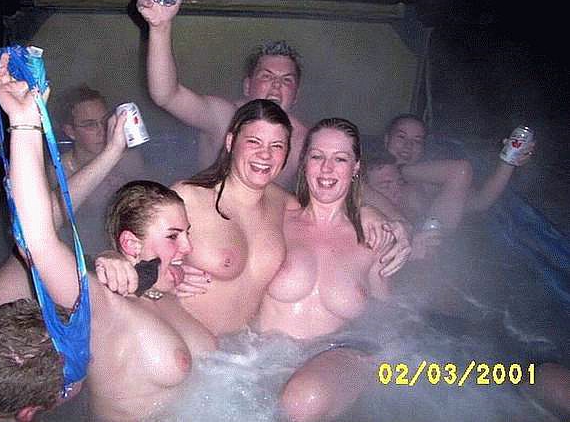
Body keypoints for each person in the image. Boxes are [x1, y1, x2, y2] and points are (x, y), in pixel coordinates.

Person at [0, 53, 216, 422]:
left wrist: (120, 263)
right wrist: (25, 124)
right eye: (174, 236)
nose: (187, 247)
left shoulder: (27, 302)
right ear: (31, 411)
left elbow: (46, 233)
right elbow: (38, 239)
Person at [96, 100, 410, 337]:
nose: (265, 155)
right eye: (254, 142)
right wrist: (116, 259)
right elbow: (129, 243)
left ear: (288, 154)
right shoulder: (188, 197)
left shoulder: (282, 204)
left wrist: (375, 215)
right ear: (230, 142)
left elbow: (331, 203)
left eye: (277, 146)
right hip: (187, 345)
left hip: (244, 357)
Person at [254, 118, 390, 421]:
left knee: (303, 401)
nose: (327, 169)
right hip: (259, 357)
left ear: (356, 167)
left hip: (336, 360)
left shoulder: (373, 240)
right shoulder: (275, 221)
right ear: (304, 163)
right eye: (317, 156)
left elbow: (387, 315)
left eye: (340, 159)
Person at [136, 0, 308, 189]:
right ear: (247, 86)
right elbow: (166, 95)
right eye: (267, 76)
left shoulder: (304, 141)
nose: (276, 85)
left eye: (286, 80)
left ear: (296, 95)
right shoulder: (223, 118)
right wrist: (159, 27)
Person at [383, 113, 535, 228]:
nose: (408, 146)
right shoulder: (369, 173)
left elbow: (481, 201)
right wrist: (400, 170)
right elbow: (459, 170)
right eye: (401, 137)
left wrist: (508, 162)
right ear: (386, 139)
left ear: (423, 148)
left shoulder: (425, 185)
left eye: (417, 141)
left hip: (427, 253)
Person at [50, 84, 149, 257]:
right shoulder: (58, 172)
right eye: (90, 125)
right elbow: (49, 227)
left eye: (104, 121)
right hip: (82, 250)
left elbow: (151, 204)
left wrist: (124, 193)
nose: (102, 131)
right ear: (70, 132)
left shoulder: (128, 159)